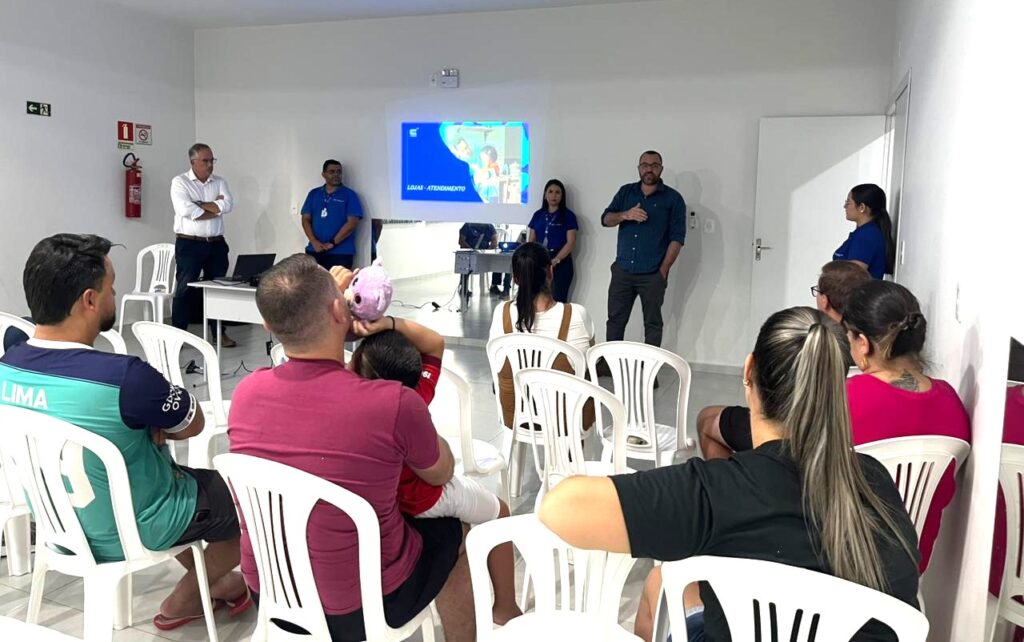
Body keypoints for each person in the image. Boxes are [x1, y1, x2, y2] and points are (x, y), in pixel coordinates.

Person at [539, 306, 920, 642]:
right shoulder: (875, 478)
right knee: (666, 581)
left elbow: (560, 508)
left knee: (665, 581)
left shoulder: (716, 494)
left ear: (749, 370)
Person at [0, 234, 248, 631]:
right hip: (130, 527)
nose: (115, 296)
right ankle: (184, 599)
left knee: (159, 484)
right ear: (89, 300)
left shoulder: (7, 365)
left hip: (56, 525)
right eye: (111, 287)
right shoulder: (125, 377)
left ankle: (212, 581)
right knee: (242, 498)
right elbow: (194, 423)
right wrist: (150, 423)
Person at [228, 255, 475, 642]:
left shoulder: (245, 393)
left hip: (271, 594)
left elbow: (297, 308)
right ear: (338, 311)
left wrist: (325, 306)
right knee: (457, 533)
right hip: (362, 606)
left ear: (268, 326)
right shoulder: (392, 402)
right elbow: (440, 473)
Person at [348, 316, 521, 625]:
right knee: (500, 512)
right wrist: (387, 322)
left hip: (384, 503)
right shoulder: (415, 396)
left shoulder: (351, 404)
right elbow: (435, 342)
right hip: (425, 499)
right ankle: (505, 606)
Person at [842, 280, 971, 573]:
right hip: (912, 564)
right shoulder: (950, 401)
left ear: (863, 343)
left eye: (849, 337)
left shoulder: (844, 397)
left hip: (843, 559)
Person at [698, 260, 871, 460]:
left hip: (793, 437)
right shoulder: (868, 348)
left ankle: (733, 477)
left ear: (824, 301)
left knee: (707, 419)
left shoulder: (807, 339)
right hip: (841, 441)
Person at [488, 242, 595, 430]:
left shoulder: (501, 312)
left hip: (515, 419)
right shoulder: (577, 314)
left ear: (515, 279)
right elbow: (590, 363)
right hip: (567, 423)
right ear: (550, 272)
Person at [602, 150, 686, 348]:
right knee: (615, 320)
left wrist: (663, 270)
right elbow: (605, 219)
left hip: (652, 273)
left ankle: (650, 365)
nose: (649, 169)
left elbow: (677, 238)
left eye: (654, 165)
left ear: (661, 169)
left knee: (653, 324)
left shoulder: (673, 199)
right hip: (622, 270)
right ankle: (609, 361)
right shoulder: (626, 192)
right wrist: (625, 215)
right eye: (645, 165)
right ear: (639, 168)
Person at [170, 143, 237, 347]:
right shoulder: (180, 182)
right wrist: (215, 208)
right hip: (189, 244)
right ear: (193, 162)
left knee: (219, 289)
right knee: (184, 289)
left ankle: (219, 333)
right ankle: (178, 336)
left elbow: (228, 205)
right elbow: (185, 210)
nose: (210, 165)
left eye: (212, 160)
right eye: (205, 161)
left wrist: (199, 205)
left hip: (216, 244)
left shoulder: (220, 182)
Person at [301, 160, 365, 270]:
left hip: (340, 253)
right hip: (315, 250)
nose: (336, 175)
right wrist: (314, 241)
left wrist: (332, 243)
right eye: (332, 172)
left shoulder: (349, 195)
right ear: (323, 174)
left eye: (339, 172)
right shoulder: (313, 194)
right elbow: (305, 219)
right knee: (311, 281)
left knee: (337, 281)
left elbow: (352, 223)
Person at [527, 179, 578, 302]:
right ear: (545, 195)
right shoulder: (538, 215)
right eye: (550, 192)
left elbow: (571, 242)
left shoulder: (568, 216)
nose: (553, 195)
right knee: (537, 299)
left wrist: (556, 260)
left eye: (557, 192)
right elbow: (531, 240)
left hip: (561, 262)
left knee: (557, 300)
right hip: (540, 261)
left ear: (562, 196)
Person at [833, 183, 896, 279]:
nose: (844, 206)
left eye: (848, 202)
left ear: (862, 207)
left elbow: (853, 277)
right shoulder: (864, 233)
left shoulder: (867, 235)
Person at [458, 222, 510, 297]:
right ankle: (464, 287)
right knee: (465, 262)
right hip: (470, 253)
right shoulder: (468, 225)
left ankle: (495, 286)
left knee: (500, 262)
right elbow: (461, 241)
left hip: (486, 254)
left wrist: (487, 251)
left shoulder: (489, 226)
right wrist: (472, 251)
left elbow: (495, 241)